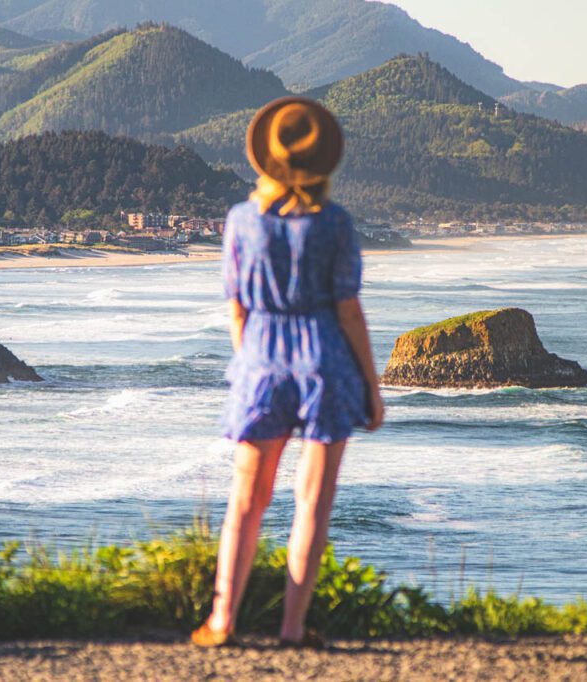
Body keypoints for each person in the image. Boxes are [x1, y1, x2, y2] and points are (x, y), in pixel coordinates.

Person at [191, 97, 384, 648]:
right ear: (324, 161)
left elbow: (237, 308)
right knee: (313, 504)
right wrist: (372, 386)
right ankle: (293, 629)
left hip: (262, 360)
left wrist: (250, 359)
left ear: (265, 160)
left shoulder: (240, 222)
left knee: (246, 501)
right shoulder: (336, 225)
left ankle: (223, 621)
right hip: (326, 361)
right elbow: (348, 310)